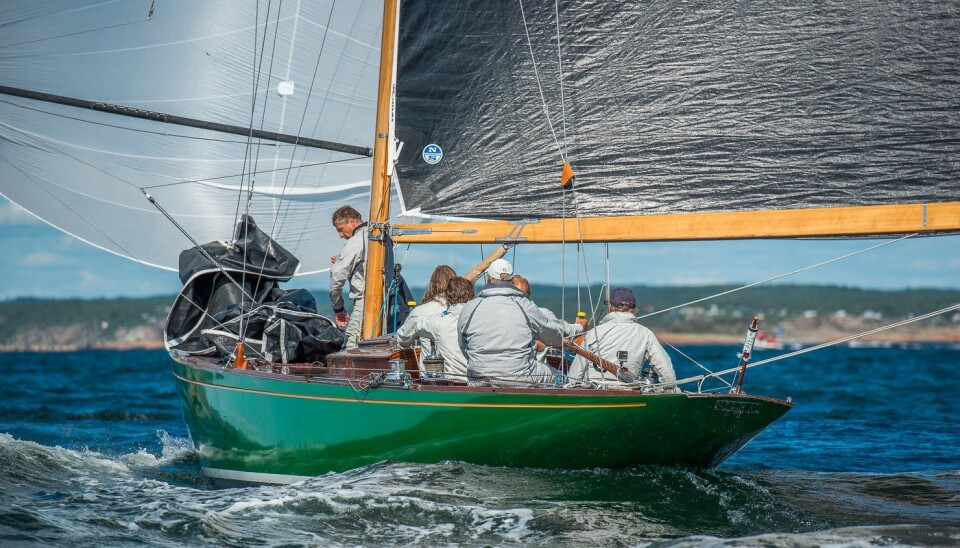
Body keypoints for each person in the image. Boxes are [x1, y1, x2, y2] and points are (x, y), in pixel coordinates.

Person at [457, 259, 570, 386]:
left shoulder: (470, 307)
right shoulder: (524, 305)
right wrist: (561, 339)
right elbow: (552, 336)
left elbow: (463, 344)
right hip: (520, 377)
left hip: (479, 378)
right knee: (560, 377)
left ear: (488, 279)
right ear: (511, 280)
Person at [567, 287, 676, 388]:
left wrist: (570, 387)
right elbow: (667, 371)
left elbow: (576, 372)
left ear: (611, 307)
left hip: (596, 392)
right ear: (634, 309)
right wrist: (669, 389)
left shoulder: (594, 332)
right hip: (629, 393)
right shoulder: (645, 334)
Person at [399, 276, 474, 379]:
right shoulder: (480, 321)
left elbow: (417, 325)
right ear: (472, 296)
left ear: (447, 297)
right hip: (478, 383)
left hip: (453, 383)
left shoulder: (438, 323)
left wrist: (439, 316)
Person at [395, 265, 457, 357]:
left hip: (431, 369)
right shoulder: (464, 311)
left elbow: (401, 339)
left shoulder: (419, 312)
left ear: (432, 285)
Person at [328, 205, 367, 349]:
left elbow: (337, 277)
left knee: (351, 347)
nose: (340, 235)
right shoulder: (379, 235)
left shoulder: (356, 241)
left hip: (365, 304)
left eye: (340, 229)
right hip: (386, 302)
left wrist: (338, 308)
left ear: (352, 222)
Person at [510, 275, 587, 338]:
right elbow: (560, 332)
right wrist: (580, 326)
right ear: (529, 294)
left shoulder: (499, 312)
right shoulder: (540, 313)